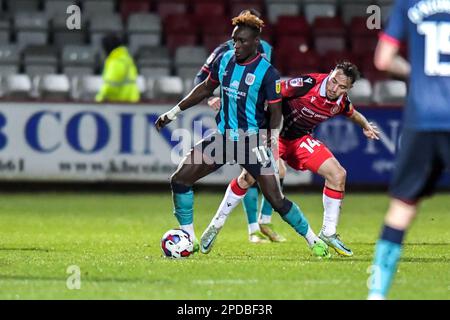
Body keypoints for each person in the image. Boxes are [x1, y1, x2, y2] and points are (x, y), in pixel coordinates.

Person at [155, 12, 330, 258]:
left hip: (253, 144)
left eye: (242, 41)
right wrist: (172, 113)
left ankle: (313, 240)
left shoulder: (269, 74)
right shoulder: (224, 59)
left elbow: (277, 112)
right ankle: (189, 238)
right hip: (223, 139)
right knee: (180, 179)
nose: (236, 45)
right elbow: (205, 87)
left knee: (277, 201)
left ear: (255, 43)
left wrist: (273, 135)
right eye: (234, 40)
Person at [201, 61, 380, 257]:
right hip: (271, 134)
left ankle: (328, 232)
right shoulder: (307, 83)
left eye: (342, 87)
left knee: (338, 174)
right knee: (248, 178)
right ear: (330, 74)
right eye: (333, 81)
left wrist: (365, 126)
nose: (334, 88)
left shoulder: (341, 102)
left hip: (298, 140)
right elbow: (273, 94)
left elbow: (352, 113)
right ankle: (215, 225)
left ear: (349, 89)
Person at [367, 0, 450, 300]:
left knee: (402, 208)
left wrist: (418, 74)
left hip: (423, 116)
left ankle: (377, 294)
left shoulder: (407, 4)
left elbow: (383, 59)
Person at [195, 9, 287, 244]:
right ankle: (254, 228)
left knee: (276, 171)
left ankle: (262, 223)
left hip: (260, 119)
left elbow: (268, 82)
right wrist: (210, 97)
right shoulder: (224, 50)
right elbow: (201, 80)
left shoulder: (266, 50)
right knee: (252, 174)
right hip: (237, 124)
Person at [95, 33, 140, 103]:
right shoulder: (126, 58)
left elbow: (110, 85)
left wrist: (99, 98)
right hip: (131, 100)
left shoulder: (116, 61)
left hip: (119, 102)